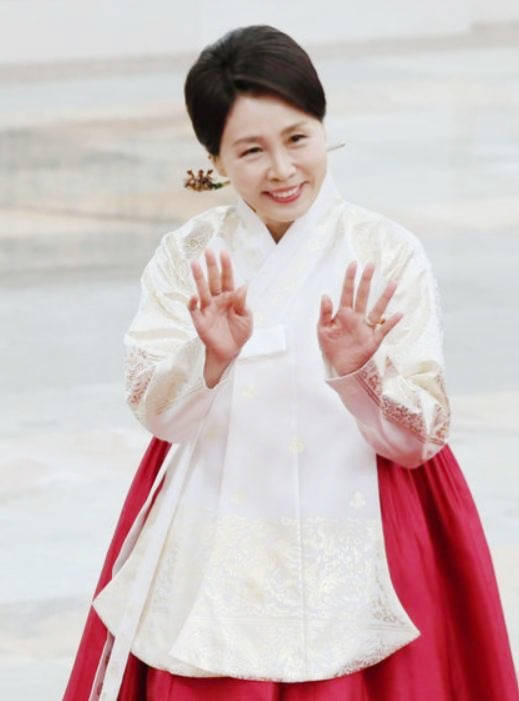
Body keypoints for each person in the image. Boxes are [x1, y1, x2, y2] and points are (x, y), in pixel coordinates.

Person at [63, 24, 518, 701]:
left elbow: (419, 439)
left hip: (367, 518)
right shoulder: (189, 255)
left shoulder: (386, 251)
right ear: (215, 159)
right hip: (216, 527)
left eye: (298, 138)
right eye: (251, 150)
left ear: (322, 127)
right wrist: (209, 358)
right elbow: (161, 418)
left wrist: (361, 374)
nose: (281, 169)